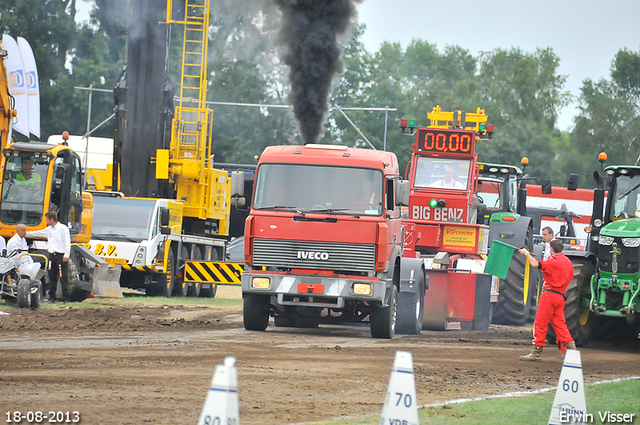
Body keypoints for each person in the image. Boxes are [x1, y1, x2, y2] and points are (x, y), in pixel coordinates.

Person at [518, 239, 576, 361]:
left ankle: (536, 352)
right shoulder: (568, 262)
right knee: (560, 324)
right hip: (560, 296)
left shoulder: (552, 261)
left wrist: (526, 254)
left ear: (551, 249)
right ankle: (572, 349)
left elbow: (535, 265)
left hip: (549, 295)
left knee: (540, 323)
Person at [26, 211, 71, 303]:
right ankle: (52, 297)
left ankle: (66, 297)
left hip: (60, 255)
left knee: (63, 277)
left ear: (51, 219)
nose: (46, 221)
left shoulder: (63, 228)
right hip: (51, 255)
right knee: (52, 276)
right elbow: (38, 233)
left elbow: (67, 242)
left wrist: (66, 254)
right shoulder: (49, 229)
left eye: (47, 219)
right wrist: (25, 234)